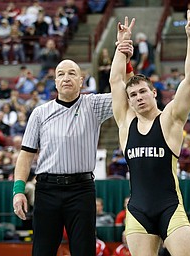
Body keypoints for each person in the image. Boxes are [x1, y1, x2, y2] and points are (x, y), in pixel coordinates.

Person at [12, 56, 131, 255]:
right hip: (47, 189)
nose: (66, 78)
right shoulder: (40, 113)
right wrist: (18, 190)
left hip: (81, 190)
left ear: (81, 81)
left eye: (72, 73)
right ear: (55, 82)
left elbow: (126, 92)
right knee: (42, 250)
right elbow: (25, 156)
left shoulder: (93, 105)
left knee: (84, 250)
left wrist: (124, 57)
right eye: (61, 74)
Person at [109, 11, 190, 256]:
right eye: (133, 95)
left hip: (170, 208)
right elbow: (116, 80)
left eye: (143, 92)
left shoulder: (170, 120)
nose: (138, 97)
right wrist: (121, 46)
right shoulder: (125, 123)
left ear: (154, 93)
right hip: (138, 212)